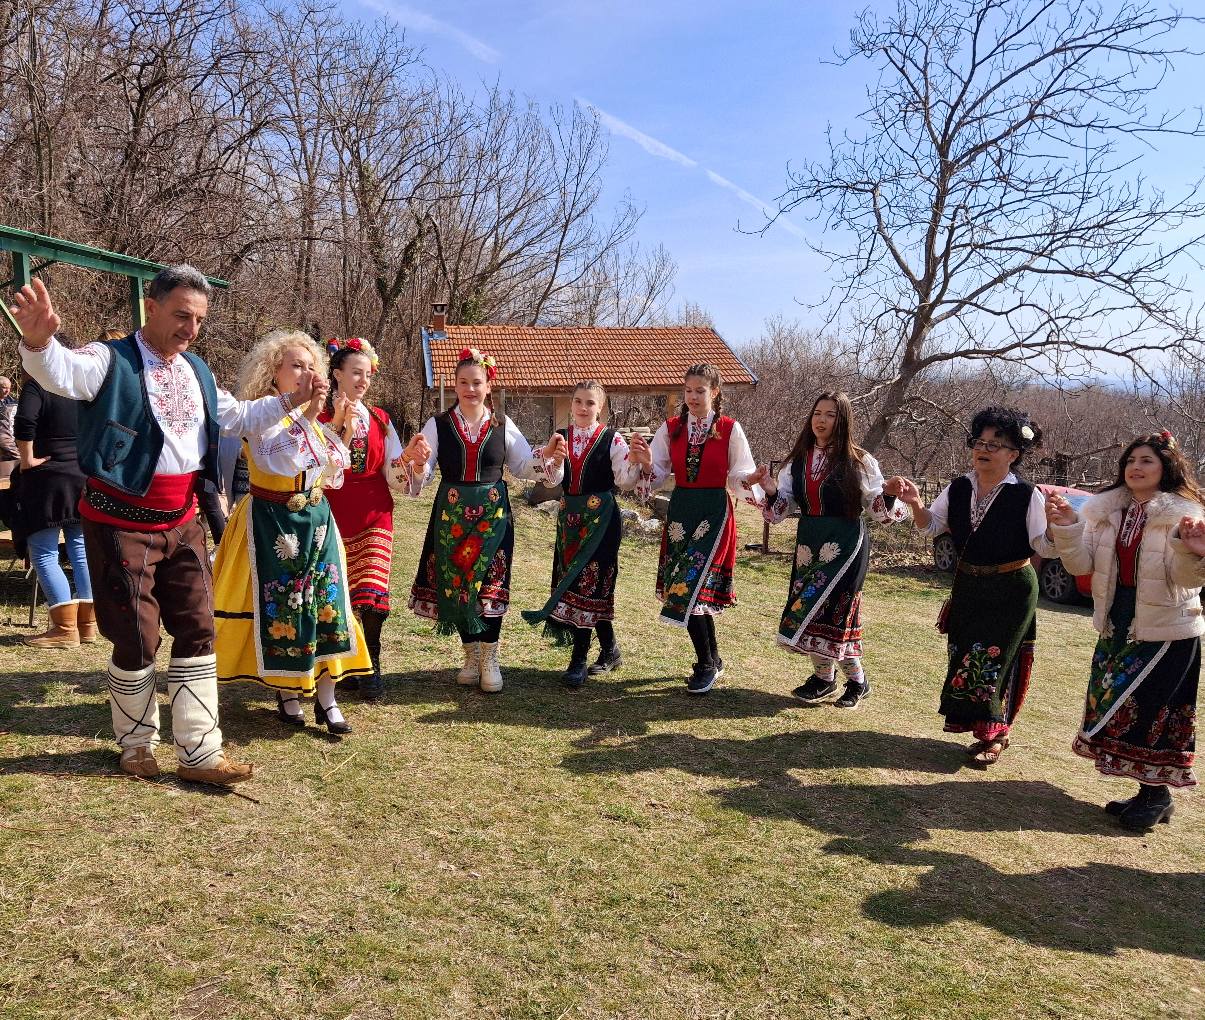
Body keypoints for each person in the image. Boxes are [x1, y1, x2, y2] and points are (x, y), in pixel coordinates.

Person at [9, 268, 320, 785]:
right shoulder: (109, 359)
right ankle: (136, 744)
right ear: (150, 307)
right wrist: (40, 344)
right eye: (181, 315)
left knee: (199, 628)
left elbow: (238, 416)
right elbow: (62, 373)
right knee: (137, 636)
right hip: (118, 524)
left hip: (184, 522)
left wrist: (292, 399)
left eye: (198, 319)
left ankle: (201, 752)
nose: (190, 329)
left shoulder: (197, 370)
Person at [213, 331, 371, 734]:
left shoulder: (311, 417)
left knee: (327, 603)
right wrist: (310, 414)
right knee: (285, 607)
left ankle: (327, 698)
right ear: (274, 372)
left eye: (310, 366)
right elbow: (280, 459)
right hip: (272, 522)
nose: (306, 373)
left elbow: (329, 472)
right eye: (296, 366)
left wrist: (338, 427)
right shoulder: (260, 414)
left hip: (316, 521)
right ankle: (287, 694)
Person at [1046, 431, 1203, 831]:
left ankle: (1156, 795)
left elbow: (1187, 580)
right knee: (1115, 705)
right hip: (1117, 622)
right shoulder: (1106, 512)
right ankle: (1150, 793)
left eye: (1147, 460)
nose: (1136, 467)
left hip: (1167, 629)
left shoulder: (1185, 516)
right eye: (1131, 460)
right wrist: (1068, 526)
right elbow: (1081, 566)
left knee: (1148, 711)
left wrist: (1192, 549)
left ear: (1166, 467)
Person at [891, 406, 1049, 765]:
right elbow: (931, 526)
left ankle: (996, 734)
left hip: (1012, 589)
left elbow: (1043, 543)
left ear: (1013, 454)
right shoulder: (959, 487)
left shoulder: (1027, 494)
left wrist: (1058, 527)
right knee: (965, 655)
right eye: (980, 441)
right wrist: (915, 503)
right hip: (968, 585)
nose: (984, 449)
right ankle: (980, 726)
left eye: (995, 444)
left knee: (997, 660)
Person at [408, 347, 565, 692]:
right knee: (459, 584)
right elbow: (424, 472)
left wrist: (549, 456)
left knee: (492, 582)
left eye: (477, 382)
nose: (470, 389)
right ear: (455, 385)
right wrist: (418, 463)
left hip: (494, 517)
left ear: (488, 385)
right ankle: (472, 656)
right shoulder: (438, 425)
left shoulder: (502, 424)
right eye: (463, 382)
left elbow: (523, 465)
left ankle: (490, 658)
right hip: (451, 516)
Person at [755, 391, 907, 708]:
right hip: (809, 543)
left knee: (838, 615)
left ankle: (858, 682)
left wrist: (890, 494)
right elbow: (780, 510)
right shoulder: (798, 462)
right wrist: (769, 489)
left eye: (830, 415)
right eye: (817, 413)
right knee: (810, 610)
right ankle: (824, 679)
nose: (821, 420)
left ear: (843, 420)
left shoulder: (859, 462)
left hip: (846, 544)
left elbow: (877, 510)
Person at [628, 363, 764, 694]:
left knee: (689, 588)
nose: (692, 397)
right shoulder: (671, 428)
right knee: (691, 587)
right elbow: (659, 472)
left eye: (699, 391)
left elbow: (738, 474)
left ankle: (706, 665)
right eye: (688, 391)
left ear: (714, 392)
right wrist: (646, 465)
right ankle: (713, 659)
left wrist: (749, 480)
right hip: (681, 513)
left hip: (714, 513)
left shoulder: (730, 429)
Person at [521, 380, 642, 686]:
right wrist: (554, 460)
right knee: (575, 582)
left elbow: (625, 481)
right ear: (572, 403)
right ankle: (610, 649)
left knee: (591, 584)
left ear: (600, 407)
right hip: (571, 522)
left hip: (602, 520)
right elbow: (551, 481)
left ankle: (578, 660)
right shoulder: (561, 437)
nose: (583, 408)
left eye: (590, 403)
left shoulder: (612, 439)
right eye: (578, 401)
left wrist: (635, 462)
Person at [318, 337, 409, 700]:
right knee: (339, 595)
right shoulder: (317, 418)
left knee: (372, 594)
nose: (363, 380)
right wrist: (338, 424)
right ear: (337, 374)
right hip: (332, 515)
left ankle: (372, 664)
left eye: (368, 374)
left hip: (375, 513)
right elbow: (319, 468)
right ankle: (348, 663)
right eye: (356, 373)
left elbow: (395, 473)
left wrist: (410, 463)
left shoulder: (381, 420)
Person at [12, 372, 93, 647]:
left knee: (44, 552)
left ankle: (65, 629)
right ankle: (87, 625)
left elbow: (24, 421)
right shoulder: (79, 384)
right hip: (81, 474)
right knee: (80, 549)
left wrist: (26, 460)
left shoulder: (37, 384)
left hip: (47, 476)